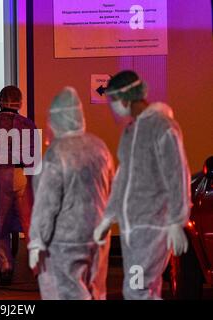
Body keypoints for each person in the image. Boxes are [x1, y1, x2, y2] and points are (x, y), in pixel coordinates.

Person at [93, 70, 191, 300]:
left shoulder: (163, 127)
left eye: (113, 101)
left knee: (137, 288)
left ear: (126, 99)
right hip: (133, 229)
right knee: (142, 289)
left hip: (153, 227)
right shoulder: (131, 132)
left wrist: (177, 221)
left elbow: (177, 174)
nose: (113, 107)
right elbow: (122, 179)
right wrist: (108, 218)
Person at [28, 87, 115, 300]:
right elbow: (111, 189)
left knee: (64, 292)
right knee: (95, 290)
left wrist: (37, 241)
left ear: (55, 119)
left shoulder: (56, 154)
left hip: (65, 240)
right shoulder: (99, 148)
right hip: (99, 235)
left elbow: (46, 205)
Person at [0, 86, 37, 285]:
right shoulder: (28, 124)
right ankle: (40, 268)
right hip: (21, 175)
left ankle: (5, 267)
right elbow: (34, 158)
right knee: (29, 222)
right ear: (19, 102)